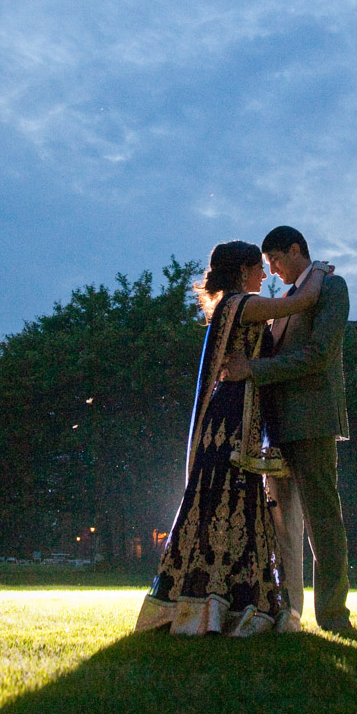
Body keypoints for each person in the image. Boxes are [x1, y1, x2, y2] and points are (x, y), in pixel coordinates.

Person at [135, 240, 329, 637]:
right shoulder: (242, 304)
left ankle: (228, 604)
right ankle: (217, 605)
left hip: (239, 413)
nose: (265, 274)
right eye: (259, 267)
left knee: (234, 502)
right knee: (226, 500)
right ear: (242, 271)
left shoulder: (231, 306)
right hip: (231, 417)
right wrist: (321, 271)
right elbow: (301, 302)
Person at [223, 225, 352, 634]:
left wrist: (255, 370)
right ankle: (289, 614)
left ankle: (333, 615)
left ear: (295, 250)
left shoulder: (331, 287)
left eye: (276, 260)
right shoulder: (288, 298)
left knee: (323, 523)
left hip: (312, 422)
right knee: (283, 529)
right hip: (277, 430)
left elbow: (318, 354)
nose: (272, 270)